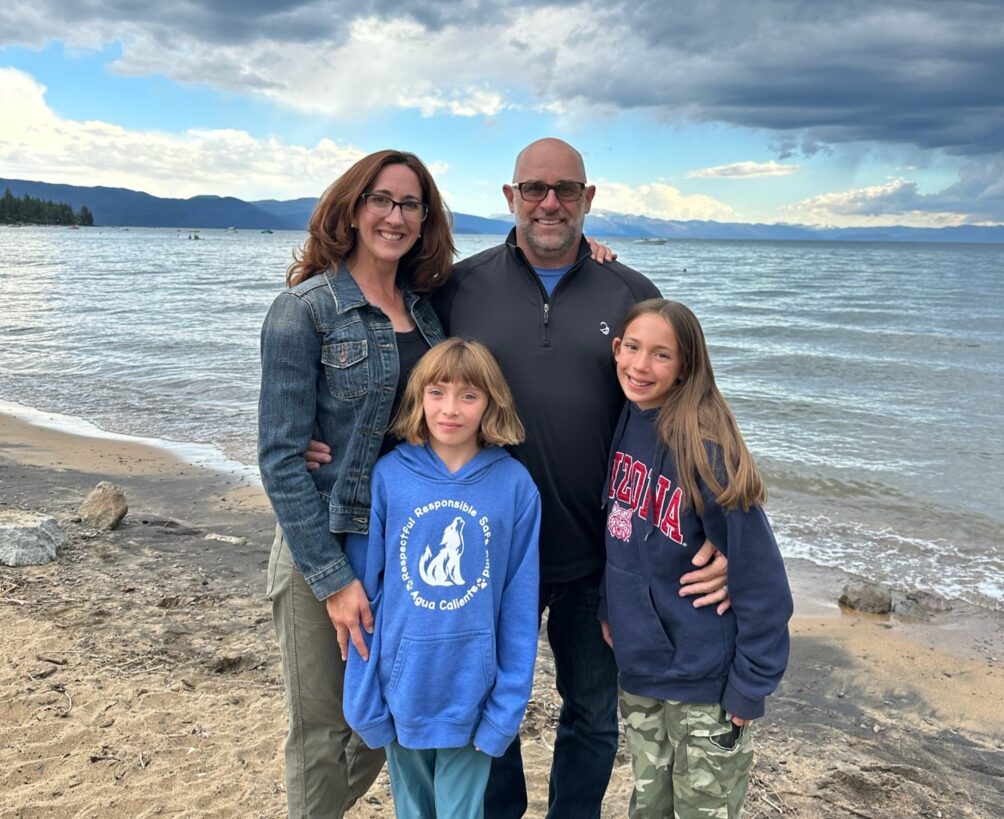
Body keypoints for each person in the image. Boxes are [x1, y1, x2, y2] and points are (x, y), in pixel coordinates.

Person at [305, 137, 731, 818]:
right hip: (484, 547)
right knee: (483, 703)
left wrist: (721, 533)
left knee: (591, 712)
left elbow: (685, 417)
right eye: (534, 188)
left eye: (566, 189)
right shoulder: (457, 288)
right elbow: (410, 376)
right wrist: (320, 433)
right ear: (510, 197)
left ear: (589, 200)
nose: (550, 202)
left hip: (604, 553)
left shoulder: (631, 294)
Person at [258, 149, 454, 817]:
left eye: (409, 204)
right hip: (322, 547)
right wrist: (332, 579)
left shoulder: (430, 316)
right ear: (353, 205)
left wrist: (589, 256)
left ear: (425, 219)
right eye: (381, 199)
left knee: (380, 723)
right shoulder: (305, 310)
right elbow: (281, 458)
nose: (395, 216)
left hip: (399, 554)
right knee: (320, 733)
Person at [599, 299, 793, 818]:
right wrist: (608, 607)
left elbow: (763, 582)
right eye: (633, 348)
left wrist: (751, 684)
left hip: (704, 681)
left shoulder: (705, 448)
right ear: (616, 350)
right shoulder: (628, 418)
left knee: (702, 810)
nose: (641, 366)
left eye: (661, 355)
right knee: (650, 804)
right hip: (640, 671)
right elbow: (621, 530)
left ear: (686, 365)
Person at [342, 338, 541, 819]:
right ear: (419, 399)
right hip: (402, 691)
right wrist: (362, 702)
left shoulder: (514, 486)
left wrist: (506, 708)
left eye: (469, 396)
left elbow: (519, 607)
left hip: (472, 696)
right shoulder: (389, 477)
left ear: (491, 403)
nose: (451, 409)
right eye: (437, 393)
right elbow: (365, 598)